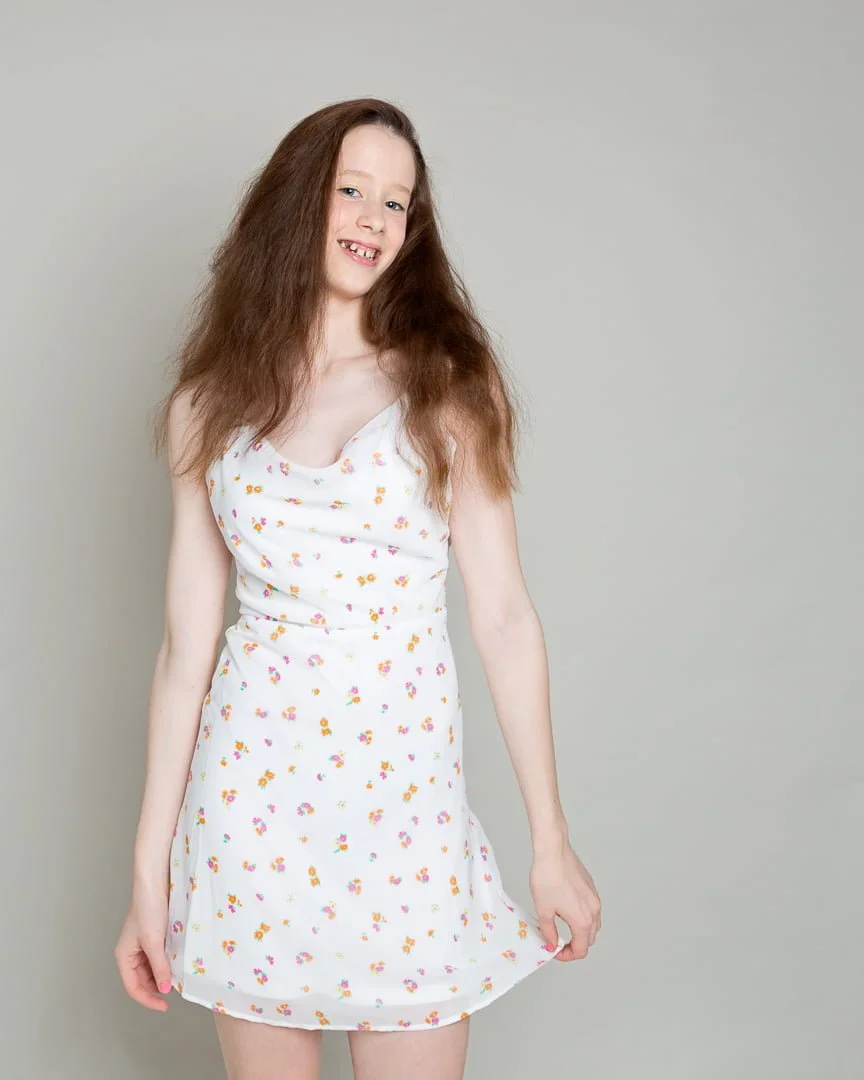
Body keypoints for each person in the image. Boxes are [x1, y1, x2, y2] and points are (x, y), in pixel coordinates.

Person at [114, 97, 601, 1080]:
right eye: (352, 190)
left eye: (398, 203)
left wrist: (551, 840)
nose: (374, 220)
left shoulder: (450, 387)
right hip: (249, 817)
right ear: (300, 201)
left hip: (404, 823)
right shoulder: (205, 406)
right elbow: (183, 650)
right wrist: (147, 873)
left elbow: (504, 617)